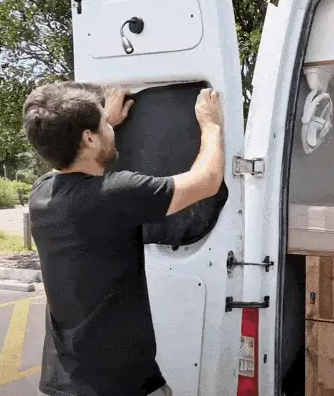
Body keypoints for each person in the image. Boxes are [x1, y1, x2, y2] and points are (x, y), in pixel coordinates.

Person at [22, 81, 225, 396]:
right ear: (89, 138)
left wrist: (105, 124)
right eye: (103, 123)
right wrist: (210, 125)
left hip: (63, 381)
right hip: (118, 384)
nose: (109, 125)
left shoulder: (41, 193)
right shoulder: (116, 194)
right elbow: (208, 181)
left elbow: (77, 164)